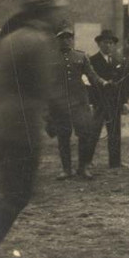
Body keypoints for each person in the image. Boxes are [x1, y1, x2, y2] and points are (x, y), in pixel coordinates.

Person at [0, 0, 67, 247]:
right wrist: (62, 116)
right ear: (43, 10)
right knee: (15, 196)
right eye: (53, 9)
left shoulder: (12, 37)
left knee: (9, 194)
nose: (57, 14)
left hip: (3, 125)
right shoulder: (38, 40)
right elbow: (44, 87)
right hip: (22, 127)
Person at [48, 23, 106, 180]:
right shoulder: (50, 58)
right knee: (63, 136)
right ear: (57, 40)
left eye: (68, 38)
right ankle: (66, 169)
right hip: (60, 104)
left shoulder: (81, 56)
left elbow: (92, 75)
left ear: (72, 39)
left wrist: (103, 83)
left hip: (79, 103)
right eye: (62, 38)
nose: (65, 41)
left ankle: (83, 167)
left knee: (84, 135)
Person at [89, 29, 129, 169]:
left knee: (115, 132)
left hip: (114, 102)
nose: (108, 45)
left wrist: (124, 102)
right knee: (94, 132)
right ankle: (87, 161)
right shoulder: (92, 61)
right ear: (99, 44)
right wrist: (90, 102)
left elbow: (123, 84)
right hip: (98, 102)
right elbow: (89, 83)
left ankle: (115, 162)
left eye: (111, 43)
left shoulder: (118, 61)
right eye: (105, 42)